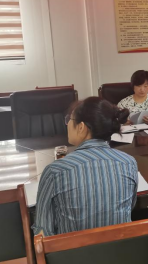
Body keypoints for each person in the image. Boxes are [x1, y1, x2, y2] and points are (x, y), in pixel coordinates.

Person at [32, 97, 138, 236]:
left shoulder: (55, 171)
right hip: (121, 248)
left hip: (72, 250)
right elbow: (130, 207)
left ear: (81, 127)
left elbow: (42, 231)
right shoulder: (128, 162)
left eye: (69, 119)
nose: (67, 124)